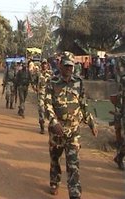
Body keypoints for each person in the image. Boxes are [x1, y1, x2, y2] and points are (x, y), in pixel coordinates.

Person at [44, 51, 98, 199]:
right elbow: (47, 104)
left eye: (71, 66)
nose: (69, 69)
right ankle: (54, 181)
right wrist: (54, 122)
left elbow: (83, 104)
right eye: (66, 65)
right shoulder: (52, 82)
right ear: (60, 65)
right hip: (57, 131)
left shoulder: (78, 82)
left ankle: (74, 194)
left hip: (73, 130)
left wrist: (91, 122)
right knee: (55, 159)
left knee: (73, 164)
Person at [37, 59, 53, 133]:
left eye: (45, 64)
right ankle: (42, 126)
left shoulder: (51, 74)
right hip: (41, 95)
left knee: (50, 111)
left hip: (49, 96)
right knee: (41, 110)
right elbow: (34, 81)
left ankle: (52, 127)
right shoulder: (38, 73)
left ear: (47, 65)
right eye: (43, 64)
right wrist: (35, 88)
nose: (44, 65)